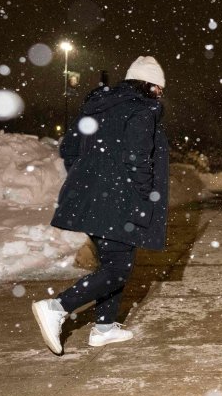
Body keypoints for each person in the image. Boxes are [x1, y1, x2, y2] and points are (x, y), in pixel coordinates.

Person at [31, 56, 169, 353]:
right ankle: (57, 307)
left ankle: (104, 328)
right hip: (121, 200)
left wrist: (91, 179)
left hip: (91, 197)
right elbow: (138, 159)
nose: (160, 95)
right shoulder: (142, 110)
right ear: (150, 86)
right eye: (159, 89)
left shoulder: (96, 106)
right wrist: (143, 196)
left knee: (113, 263)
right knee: (118, 269)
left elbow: (68, 149)